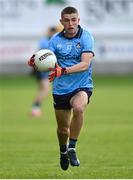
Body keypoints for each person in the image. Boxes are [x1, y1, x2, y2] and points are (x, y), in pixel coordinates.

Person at [28, 6, 94, 170]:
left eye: (74, 20)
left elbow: (85, 64)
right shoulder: (55, 40)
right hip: (61, 89)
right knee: (63, 129)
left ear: (78, 20)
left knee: (79, 107)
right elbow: (47, 59)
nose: (71, 23)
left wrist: (63, 70)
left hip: (82, 85)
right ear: (61, 22)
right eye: (67, 20)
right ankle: (63, 150)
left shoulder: (86, 37)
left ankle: (72, 147)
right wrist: (36, 61)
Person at [29, 26, 58, 117]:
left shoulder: (53, 42)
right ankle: (35, 108)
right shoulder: (45, 41)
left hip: (46, 69)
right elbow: (39, 55)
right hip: (42, 70)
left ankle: (35, 109)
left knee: (41, 90)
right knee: (46, 89)